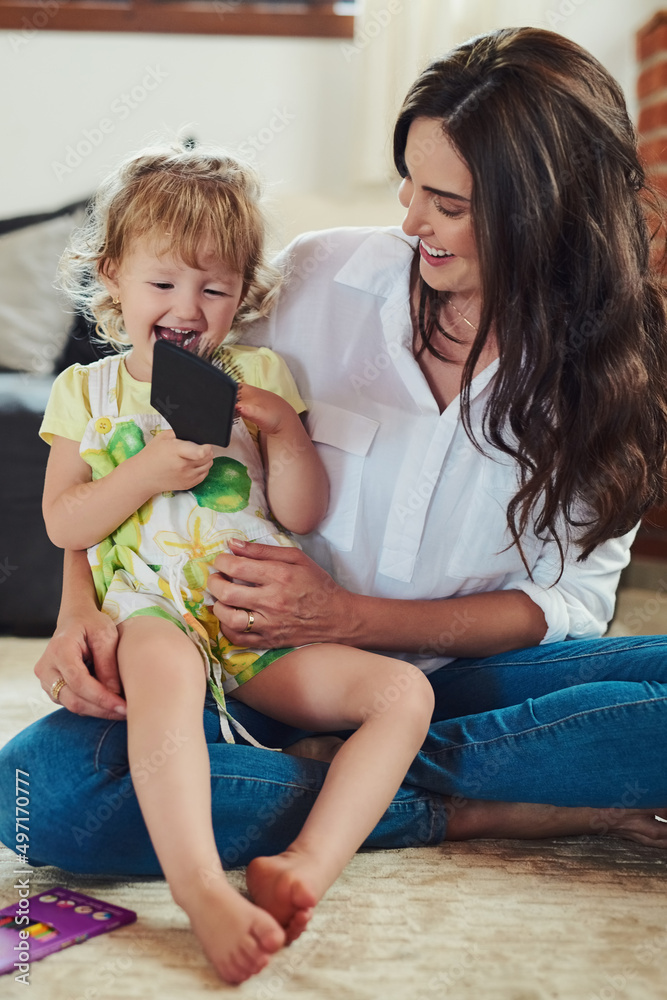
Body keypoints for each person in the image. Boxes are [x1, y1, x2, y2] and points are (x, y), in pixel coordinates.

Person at [2, 21, 667, 941]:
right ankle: (471, 804)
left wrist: (354, 621)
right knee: (45, 791)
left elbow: (573, 600)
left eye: (445, 202)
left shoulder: (607, 375)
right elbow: (127, 457)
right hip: (250, 668)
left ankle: (348, 773)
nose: (409, 222)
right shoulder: (320, 280)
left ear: (541, 213)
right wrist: (82, 609)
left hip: (463, 675)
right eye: (409, 185)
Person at [36, 143, 435, 984]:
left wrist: (283, 431)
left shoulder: (258, 374)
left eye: (215, 289)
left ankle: (308, 865)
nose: (189, 307)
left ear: (242, 294)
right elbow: (65, 521)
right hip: (155, 613)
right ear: (111, 276)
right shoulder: (89, 392)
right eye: (164, 283)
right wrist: (146, 470)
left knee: (405, 692)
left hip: (258, 625)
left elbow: (301, 513)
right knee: (163, 682)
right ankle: (197, 890)